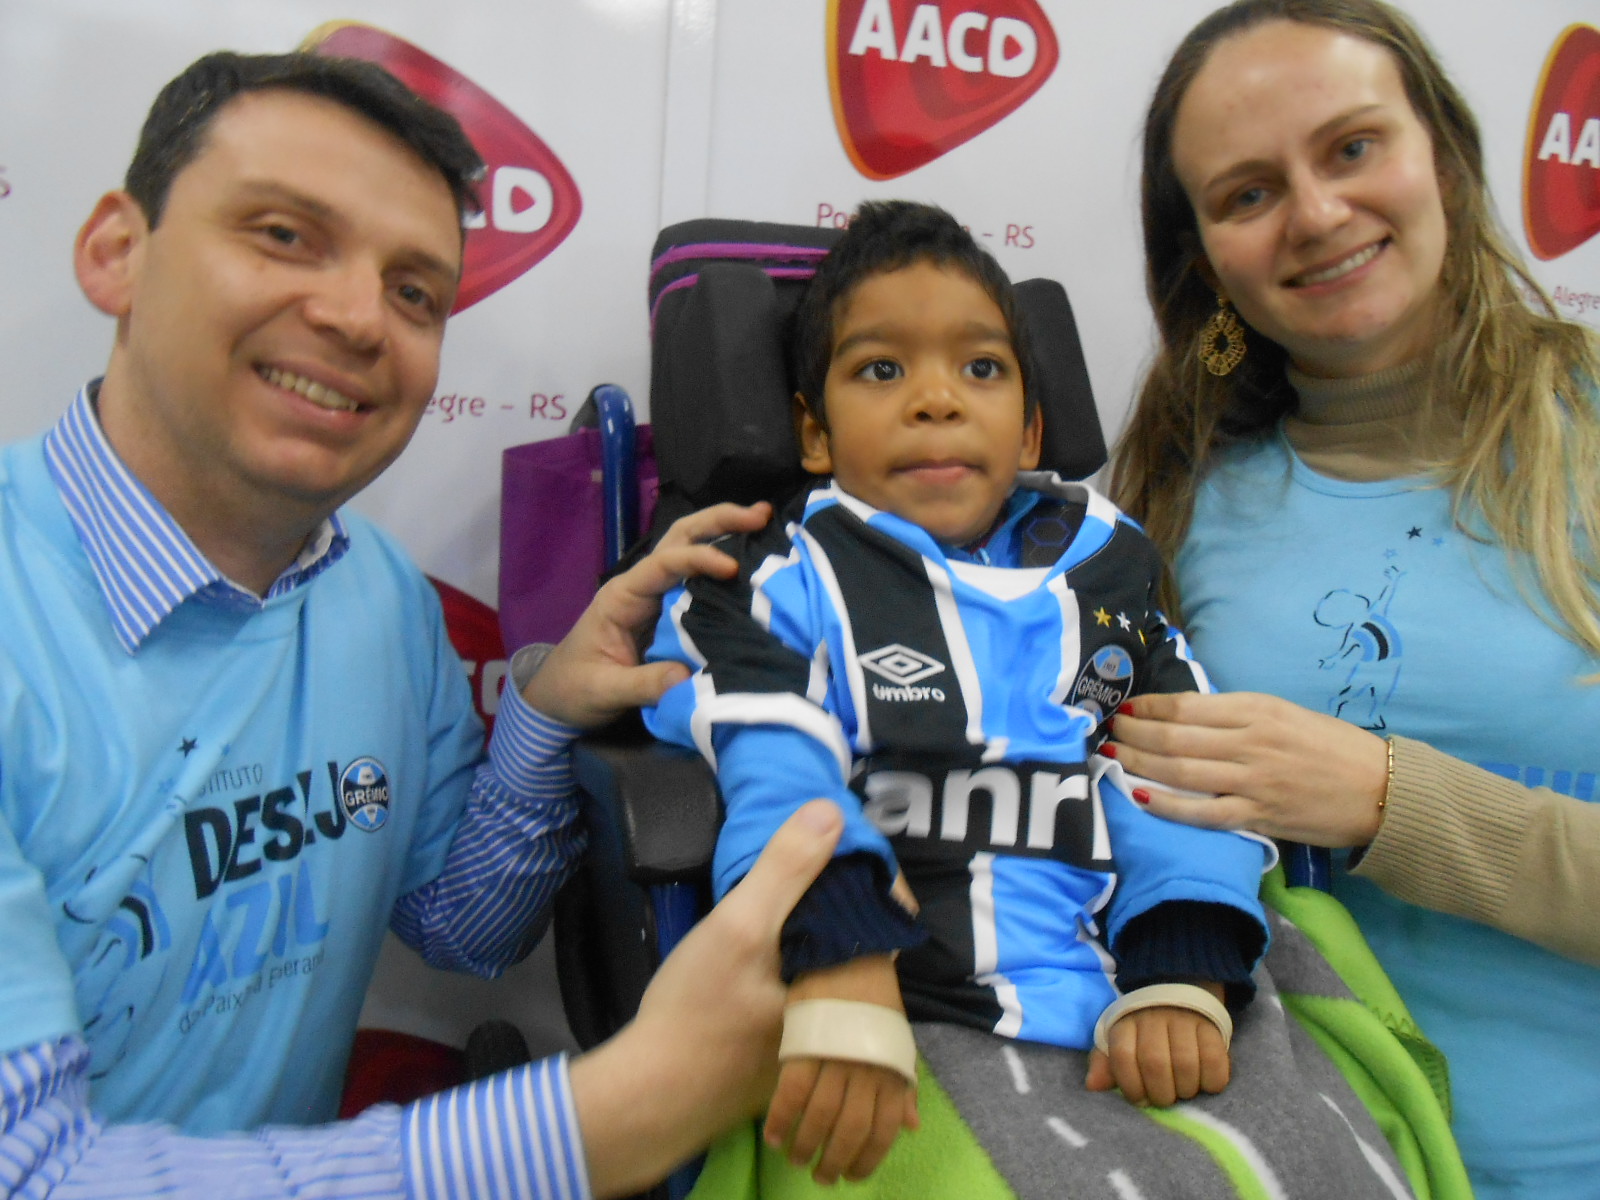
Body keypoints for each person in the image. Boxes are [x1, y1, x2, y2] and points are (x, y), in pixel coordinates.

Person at [0, 46, 827, 1200]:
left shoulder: (377, 596)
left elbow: (461, 924)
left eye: (414, 292)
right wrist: (598, 1122)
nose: (353, 319)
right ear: (115, 254)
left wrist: (543, 711)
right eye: (284, 235)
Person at [644, 201, 1274, 1184]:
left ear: (1028, 426)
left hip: (1125, 1005)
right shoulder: (773, 579)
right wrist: (841, 951)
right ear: (812, 430)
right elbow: (772, 759)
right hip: (878, 998)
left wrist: (1181, 962)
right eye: (880, 369)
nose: (935, 399)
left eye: (979, 368)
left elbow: (1184, 766)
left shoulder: (1110, 577)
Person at [1106, 2, 1600, 1196]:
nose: (1317, 214)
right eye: (1246, 193)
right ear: (1204, 255)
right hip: (1281, 1163)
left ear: (1445, 150)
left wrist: (1387, 799)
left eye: (1351, 147)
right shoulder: (1175, 484)